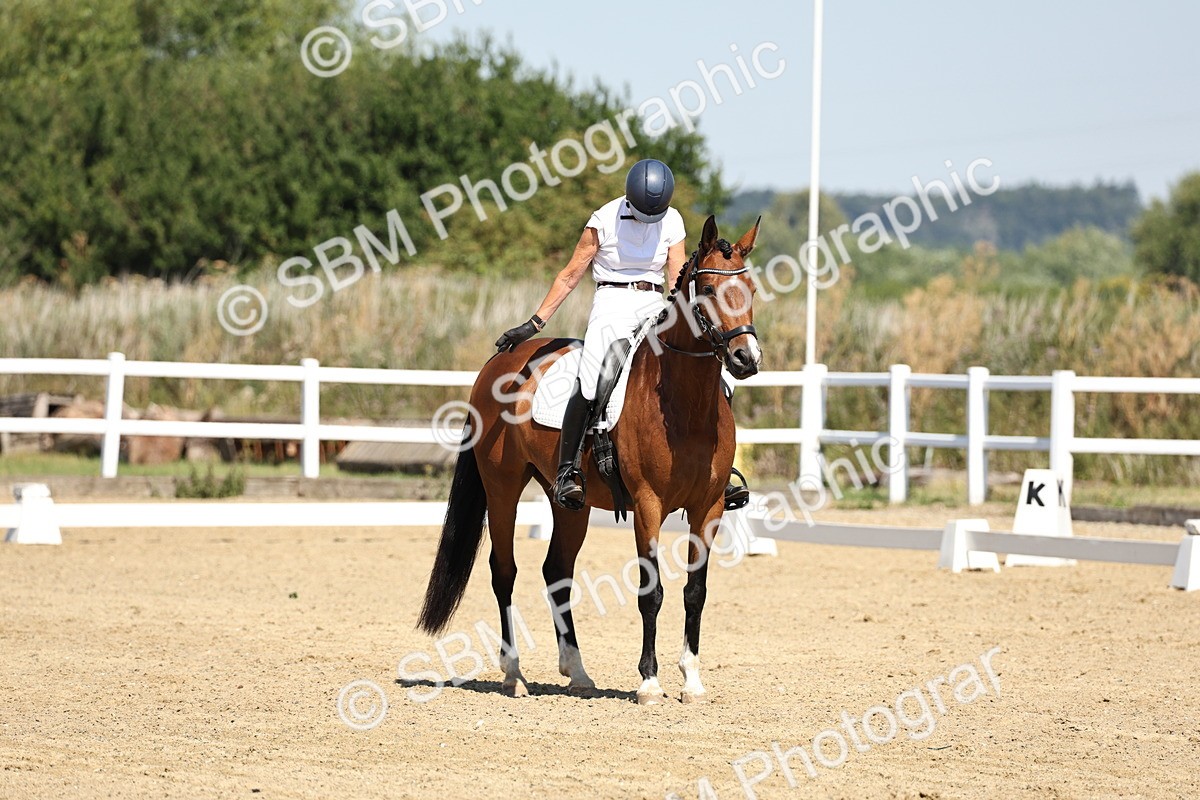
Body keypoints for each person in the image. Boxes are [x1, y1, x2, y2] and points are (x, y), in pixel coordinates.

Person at [495, 158, 749, 511]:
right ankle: (569, 470)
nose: (651, 221)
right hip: (611, 301)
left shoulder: (672, 219)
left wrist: (682, 320)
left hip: (653, 301)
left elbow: (677, 280)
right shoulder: (603, 220)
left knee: (714, 372)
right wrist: (535, 323)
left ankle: (719, 470)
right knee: (591, 376)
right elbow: (570, 275)